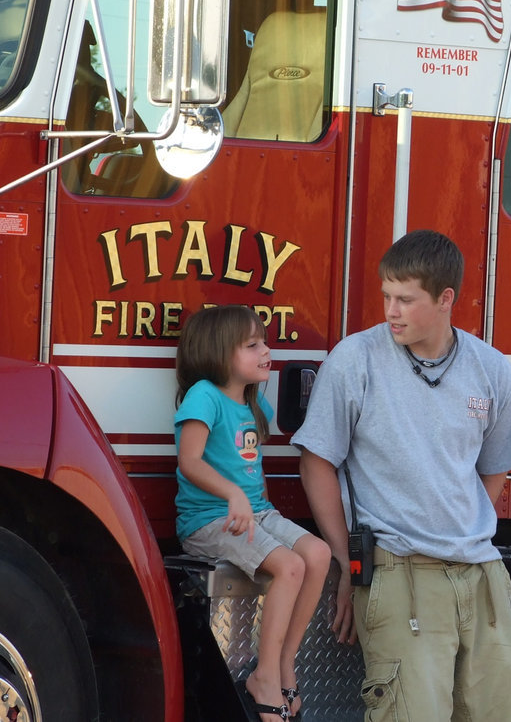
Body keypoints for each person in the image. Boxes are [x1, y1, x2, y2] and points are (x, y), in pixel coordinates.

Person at [294, 229, 511, 722]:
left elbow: (493, 472)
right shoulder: (355, 360)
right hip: (398, 572)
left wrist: (461, 526)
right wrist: (348, 561)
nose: (391, 310)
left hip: (482, 576)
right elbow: (316, 461)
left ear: (445, 298)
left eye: (406, 299)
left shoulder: (491, 370)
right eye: (387, 296)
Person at [174, 305, 332, 722]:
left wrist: (254, 503)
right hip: (210, 519)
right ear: (219, 353)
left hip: (255, 512)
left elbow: (247, 467)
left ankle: (284, 663)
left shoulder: (250, 399)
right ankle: (264, 674)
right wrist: (233, 496)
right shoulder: (203, 396)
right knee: (291, 567)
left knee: (318, 555)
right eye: (252, 345)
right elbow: (189, 461)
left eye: (264, 342)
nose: (266, 351)